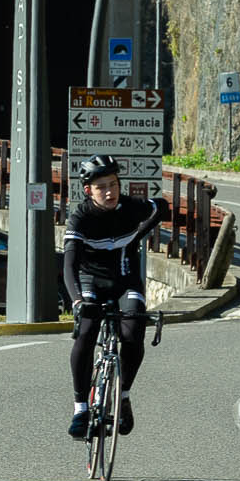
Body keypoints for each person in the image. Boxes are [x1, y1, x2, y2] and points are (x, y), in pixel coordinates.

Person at [62, 154, 163, 439]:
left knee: (133, 334)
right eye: (101, 187)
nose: (109, 191)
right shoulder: (81, 217)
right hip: (89, 281)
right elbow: (69, 264)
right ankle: (80, 407)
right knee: (87, 331)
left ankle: (124, 395)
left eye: (114, 184)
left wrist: (138, 235)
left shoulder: (132, 207)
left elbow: (162, 207)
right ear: (88, 191)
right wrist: (77, 301)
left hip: (124, 280)